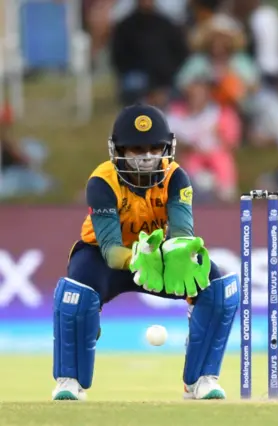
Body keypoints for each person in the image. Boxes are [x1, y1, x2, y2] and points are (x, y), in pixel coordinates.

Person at [51, 104, 239, 401]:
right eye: (136, 149)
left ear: (167, 147)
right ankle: (69, 381)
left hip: (158, 253)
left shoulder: (176, 178)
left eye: (154, 148)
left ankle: (201, 379)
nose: (147, 157)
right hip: (103, 257)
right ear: (118, 151)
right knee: (77, 293)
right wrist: (139, 257)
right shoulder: (102, 181)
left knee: (215, 288)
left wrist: (177, 254)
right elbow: (112, 251)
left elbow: (181, 236)